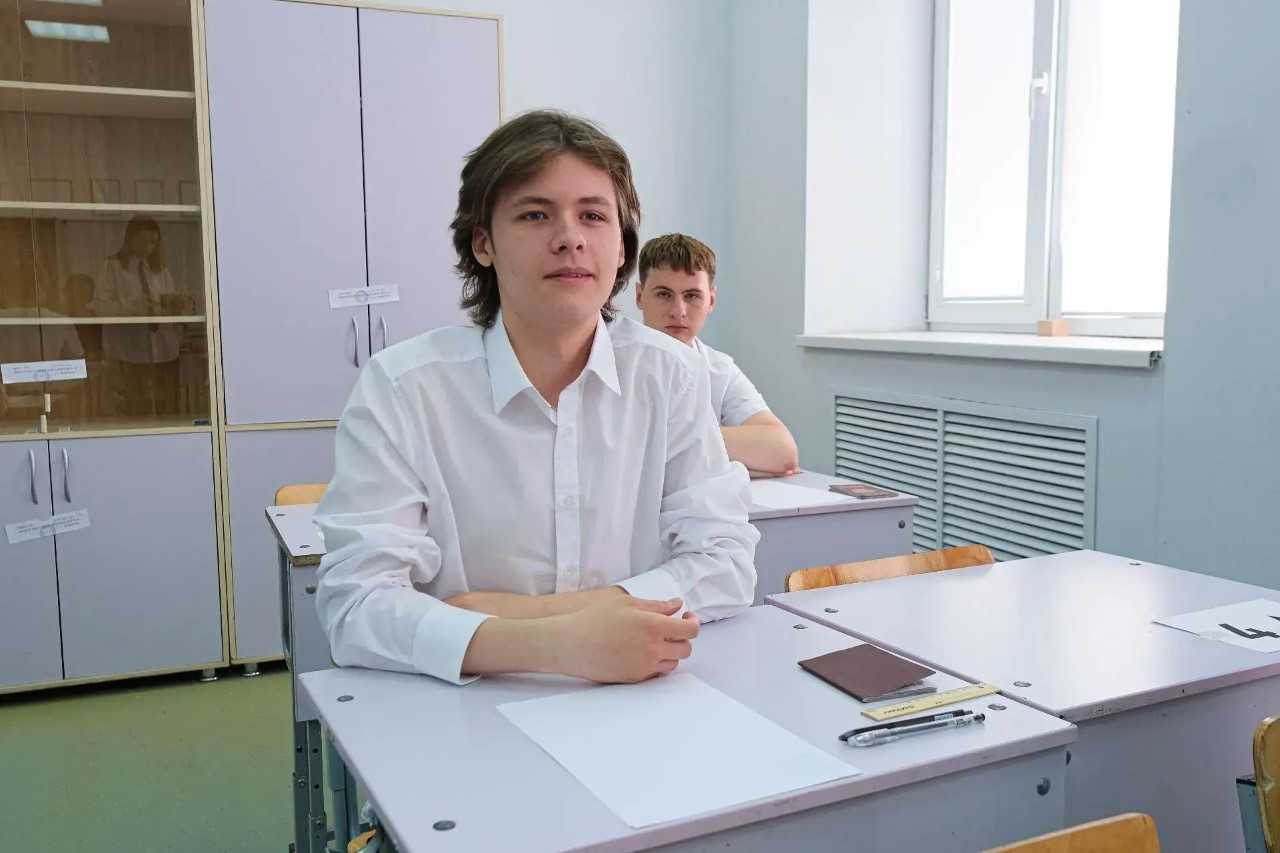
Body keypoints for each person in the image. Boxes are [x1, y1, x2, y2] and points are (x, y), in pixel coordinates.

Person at [314, 111, 758, 687]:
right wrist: (557, 643)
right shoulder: (403, 388)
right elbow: (355, 605)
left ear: (622, 247)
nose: (570, 237)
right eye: (534, 214)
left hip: (641, 693)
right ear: (484, 244)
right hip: (459, 705)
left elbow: (725, 563)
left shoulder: (671, 374)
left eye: (593, 215)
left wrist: (528, 613)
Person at [635, 233, 799, 477]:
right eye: (664, 294)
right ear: (639, 296)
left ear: (711, 300)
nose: (678, 311)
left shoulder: (720, 369)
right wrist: (718, 454)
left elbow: (781, 450)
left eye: (692, 296)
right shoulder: (611, 360)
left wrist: (663, 442)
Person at [90, 216, 189, 417]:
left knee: (168, 408)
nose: (148, 247)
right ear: (130, 239)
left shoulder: (160, 270)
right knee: (136, 409)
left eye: (153, 242)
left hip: (164, 349)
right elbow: (100, 307)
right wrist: (135, 306)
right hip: (130, 352)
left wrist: (177, 304)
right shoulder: (112, 267)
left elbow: (168, 302)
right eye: (144, 241)